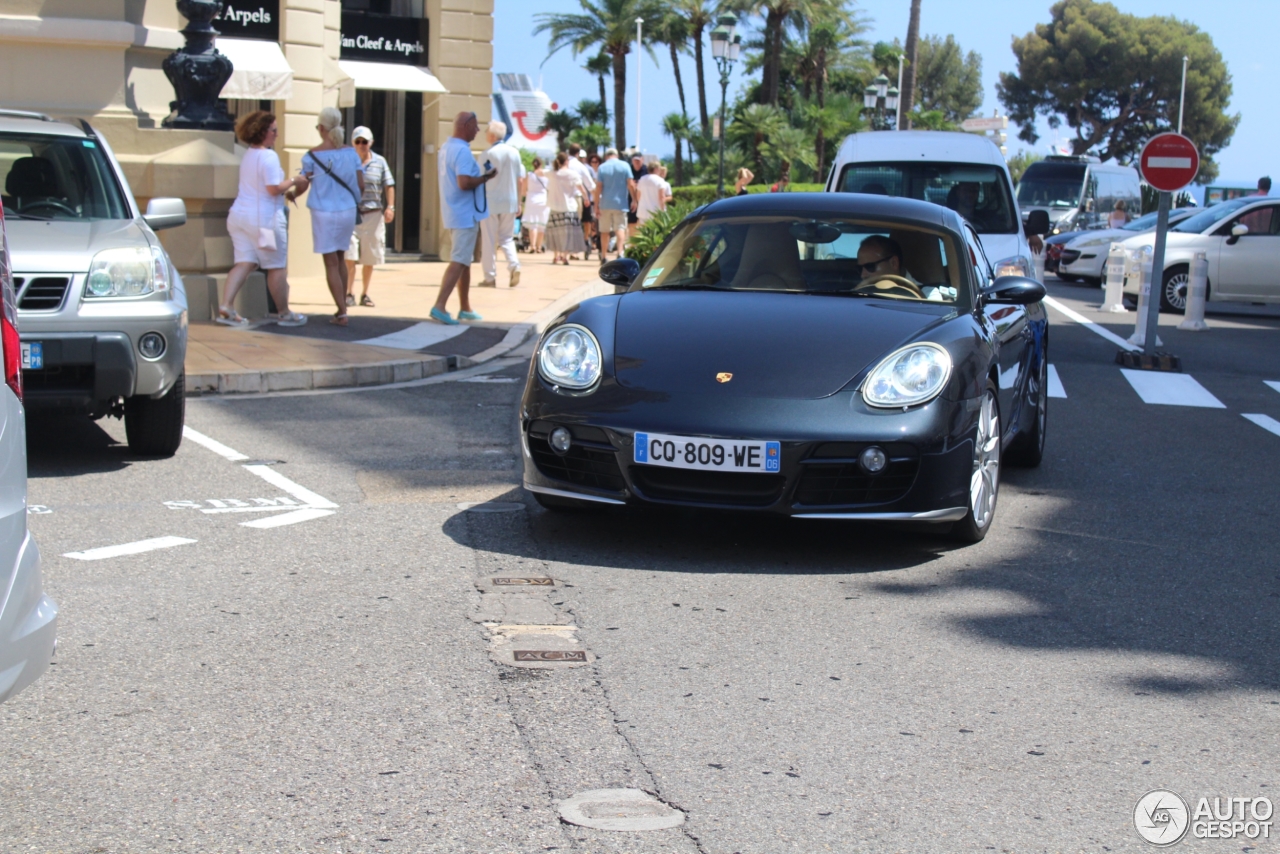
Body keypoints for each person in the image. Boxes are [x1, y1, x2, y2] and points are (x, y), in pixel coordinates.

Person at [219, 110, 307, 327]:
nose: (277, 134)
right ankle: (284, 313)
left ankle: (227, 305)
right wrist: (296, 179)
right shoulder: (268, 156)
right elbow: (273, 188)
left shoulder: (248, 154)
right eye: (274, 130)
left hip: (239, 216)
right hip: (264, 220)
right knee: (276, 266)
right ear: (263, 132)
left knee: (245, 262)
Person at [298, 107, 364, 326]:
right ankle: (342, 308)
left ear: (321, 128)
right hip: (346, 210)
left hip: (323, 212)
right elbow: (360, 184)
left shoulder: (312, 155)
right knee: (341, 259)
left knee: (330, 264)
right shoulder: (350, 153)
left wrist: (291, 194)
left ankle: (342, 312)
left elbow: (303, 183)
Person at [432, 111, 496, 325]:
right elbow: (464, 182)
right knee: (459, 260)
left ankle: (465, 306)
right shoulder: (461, 152)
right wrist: (486, 177)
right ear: (467, 125)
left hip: (454, 213)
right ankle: (440, 305)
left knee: (464, 260)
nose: (478, 131)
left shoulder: (446, 149)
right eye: (476, 126)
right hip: (464, 215)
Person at [344, 125, 395, 308]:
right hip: (352, 214)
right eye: (357, 142)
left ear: (370, 143)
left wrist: (391, 207)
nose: (361, 145)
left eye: (364, 142)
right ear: (353, 143)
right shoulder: (347, 162)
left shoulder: (380, 162)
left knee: (369, 257)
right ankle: (349, 292)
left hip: (373, 215)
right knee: (349, 255)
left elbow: (389, 185)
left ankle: (365, 293)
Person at [478, 120, 525, 288]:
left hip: (490, 201)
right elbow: (520, 179)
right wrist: (519, 202)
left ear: (491, 135)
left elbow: (481, 177)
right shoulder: (515, 153)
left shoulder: (486, 154)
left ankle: (489, 277)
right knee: (506, 238)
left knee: (489, 240)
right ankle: (514, 265)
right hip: (510, 200)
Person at [855, 234, 955, 302]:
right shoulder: (854, 296)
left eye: (870, 266)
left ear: (894, 263)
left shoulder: (928, 296)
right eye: (860, 269)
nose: (863, 275)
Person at [545, 151, 585, 265]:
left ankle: (556, 256)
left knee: (555, 233)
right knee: (568, 234)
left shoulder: (552, 173)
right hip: (569, 208)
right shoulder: (573, 174)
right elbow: (581, 188)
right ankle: (565, 256)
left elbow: (538, 172)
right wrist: (586, 198)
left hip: (554, 208)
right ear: (567, 161)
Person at [595, 148, 634, 260]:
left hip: (605, 204)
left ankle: (603, 256)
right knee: (620, 228)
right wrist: (634, 199)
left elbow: (599, 187)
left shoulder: (602, 167)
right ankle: (620, 252)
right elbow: (630, 184)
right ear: (616, 155)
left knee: (604, 231)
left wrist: (596, 205)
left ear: (607, 156)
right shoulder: (625, 165)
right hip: (621, 203)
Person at [566, 143, 597, 259]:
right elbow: (590, 185)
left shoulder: (562, 164)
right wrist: (597, 199)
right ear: (578, 153)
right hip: (576, 198)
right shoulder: (580, 166)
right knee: (575, 224)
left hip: (561, 197)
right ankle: (573, 251)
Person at [523, 157, 549, 253]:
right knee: (541, 225)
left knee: (533, 224)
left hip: (531, 200)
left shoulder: (529, 175)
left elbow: (523, 189)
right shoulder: (546, 175)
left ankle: (532, 245)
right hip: (543, 200)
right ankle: (539, 247)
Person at [627, 153, 648, 235]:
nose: (637, 163)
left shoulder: (646, 170)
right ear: (632, 161)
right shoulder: (629, 169)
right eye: (635, 161)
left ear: (642, 160)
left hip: (644, 199)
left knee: (644, 221)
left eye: (638, 161)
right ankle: (633, 242)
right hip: (631, 198)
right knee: (632, 221)